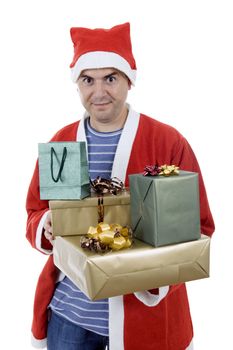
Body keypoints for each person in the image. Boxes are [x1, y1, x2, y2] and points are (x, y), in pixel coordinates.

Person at [26, 22, 215, 350]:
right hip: (69, 318)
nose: (99, 92)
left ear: (129, 81)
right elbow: (34, 212)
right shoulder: (64, 145)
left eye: (110, 78)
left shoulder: (165, 142)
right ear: (77, 85)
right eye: (88, 80)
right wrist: (47, 223)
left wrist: (151, 273)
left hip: (144, 318)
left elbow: (199, 226)